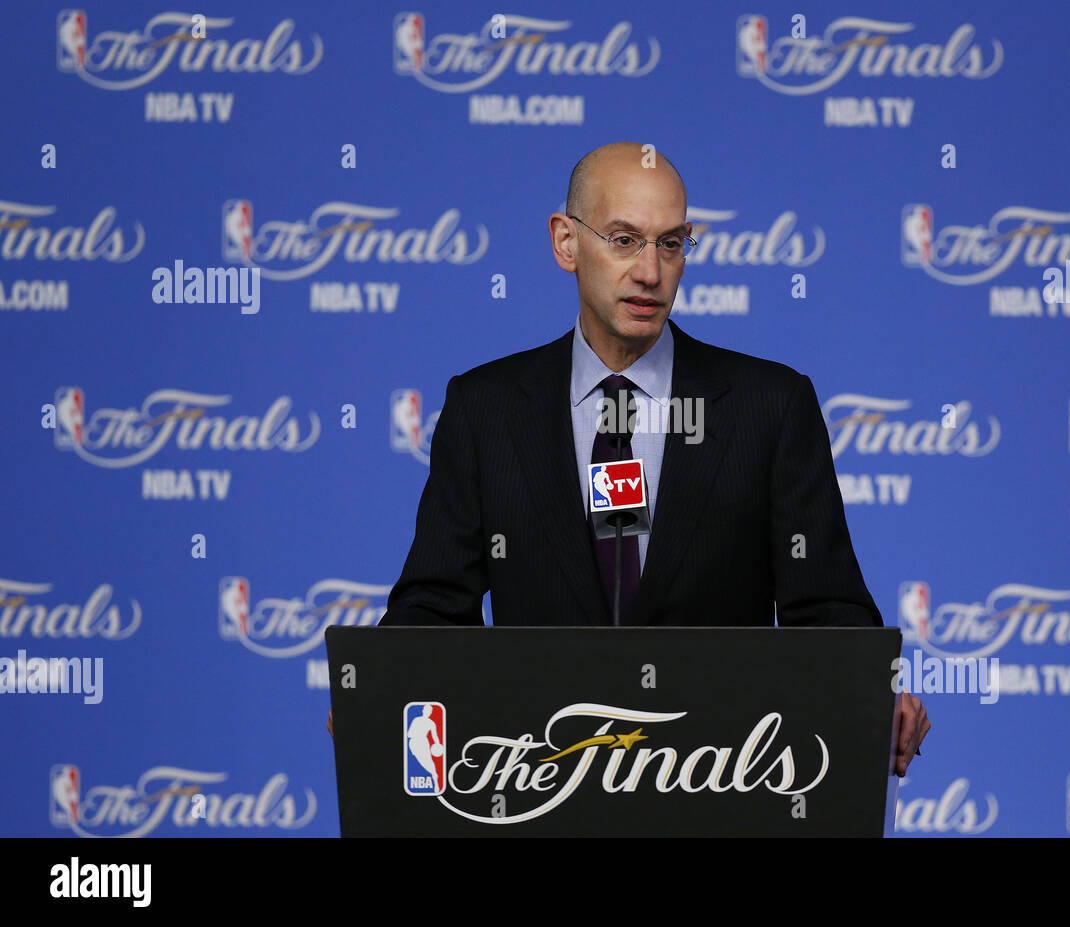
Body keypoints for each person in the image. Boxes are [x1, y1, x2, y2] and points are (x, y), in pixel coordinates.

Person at [360, 142, 929, 775]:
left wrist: (870, 688)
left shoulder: (770, 406)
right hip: (542, 782)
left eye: (671, 243)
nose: (650, 272)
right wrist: (379, 692)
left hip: (721, 786)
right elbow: (433, 609)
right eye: (625, 240)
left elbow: (828, 609)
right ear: (565, 242)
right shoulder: (485, 409)